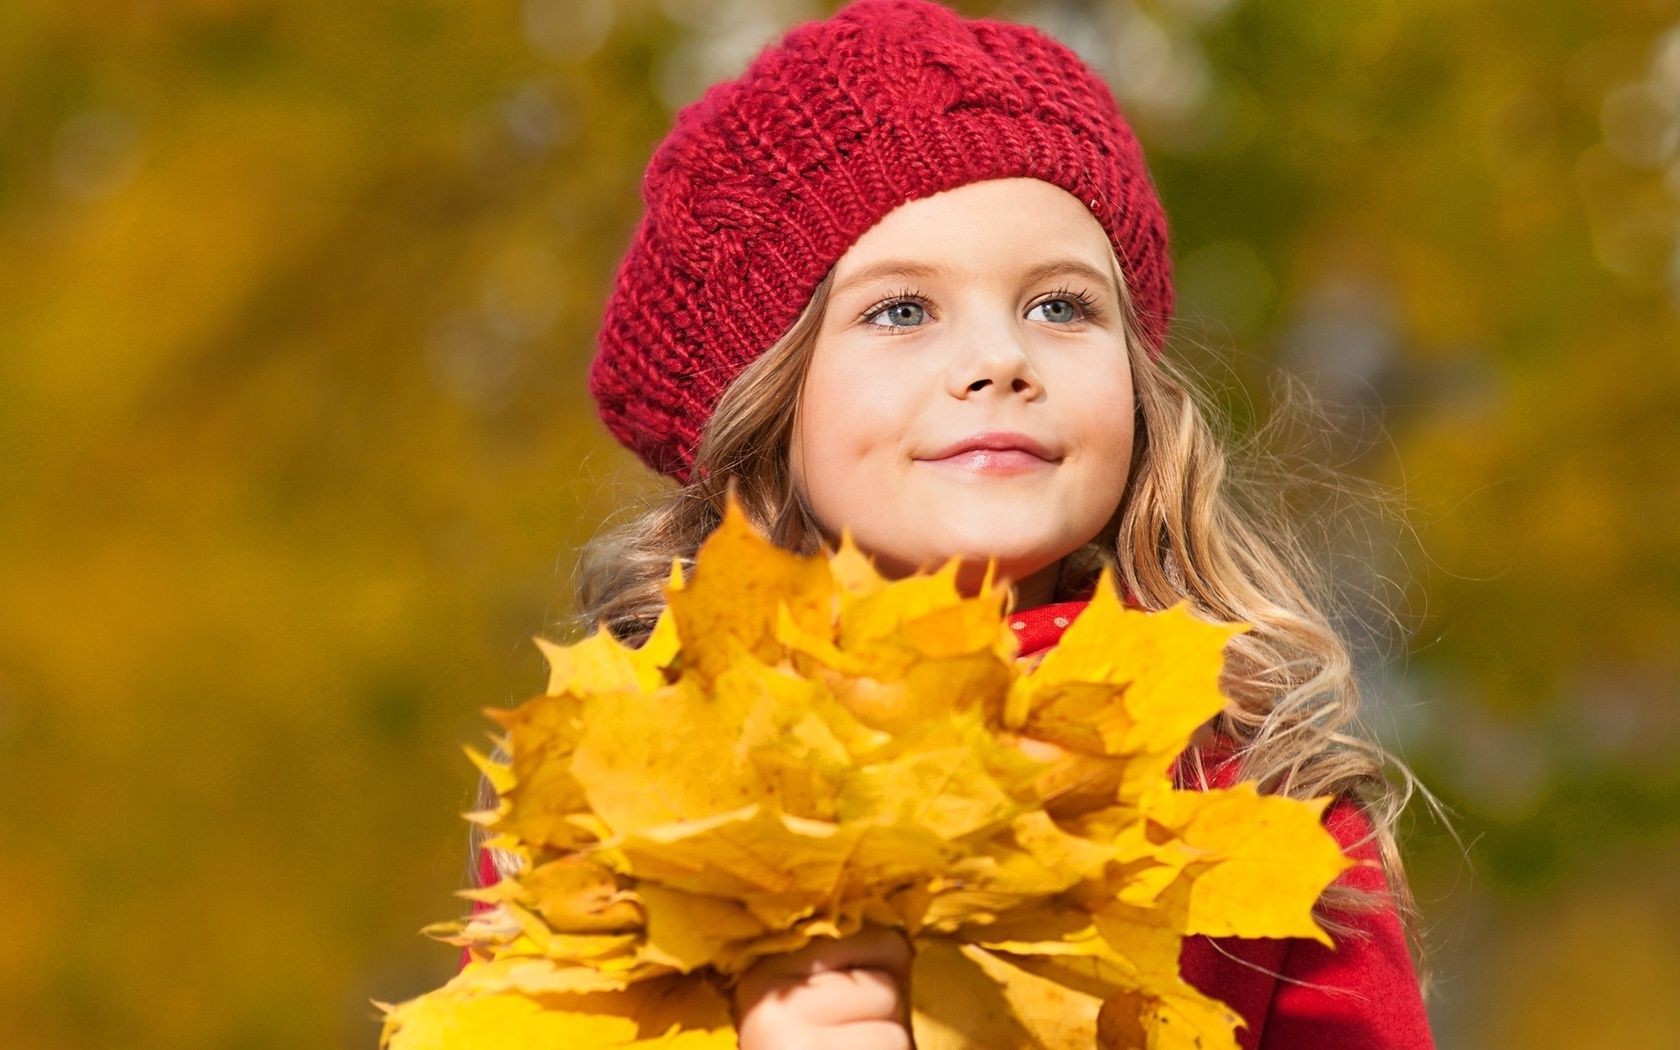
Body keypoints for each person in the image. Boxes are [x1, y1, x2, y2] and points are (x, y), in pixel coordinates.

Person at [462, 1, 1438, 1046]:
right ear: (769, 407)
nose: (1002, 359)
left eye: (1062, 306)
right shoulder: (629, 786)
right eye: (901, 311)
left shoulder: (1256, 796)